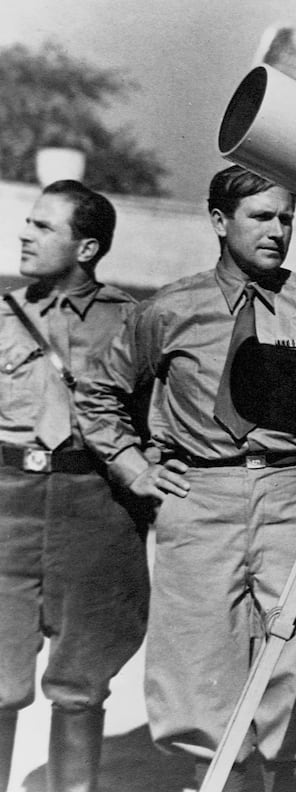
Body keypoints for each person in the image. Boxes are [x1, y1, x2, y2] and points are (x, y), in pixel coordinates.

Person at [76, 165, 296, 792]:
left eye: (286, 218)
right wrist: (135, 467)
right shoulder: (169, 309)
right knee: (199, 663)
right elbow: (97, 391)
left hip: (294, 494)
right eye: (262, 217)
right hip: (200, 497)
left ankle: (290, 777)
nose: (279, 231)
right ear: (219, 221)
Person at [0, 180, 149, 792]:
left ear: (86, 248)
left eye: (43, 227)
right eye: (27, 223)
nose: (23, 234)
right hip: (7, 503)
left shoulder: (134, 323)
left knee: (81, 682)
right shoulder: (4, 314)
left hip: (94, 506)